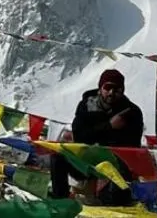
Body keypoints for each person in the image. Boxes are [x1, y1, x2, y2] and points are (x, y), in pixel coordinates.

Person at [49, 69, 145, 204]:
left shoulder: (131, 112)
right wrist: (109, 126)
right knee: (58, 158)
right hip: (87, 161)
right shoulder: (86, 106)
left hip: (116, 164)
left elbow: (132, 146)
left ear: (122, 90)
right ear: (100, 88)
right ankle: (60, 201)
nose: (111, 92)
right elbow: (80, 136)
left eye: (116, 89)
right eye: (108, 87)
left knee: (116, 199)